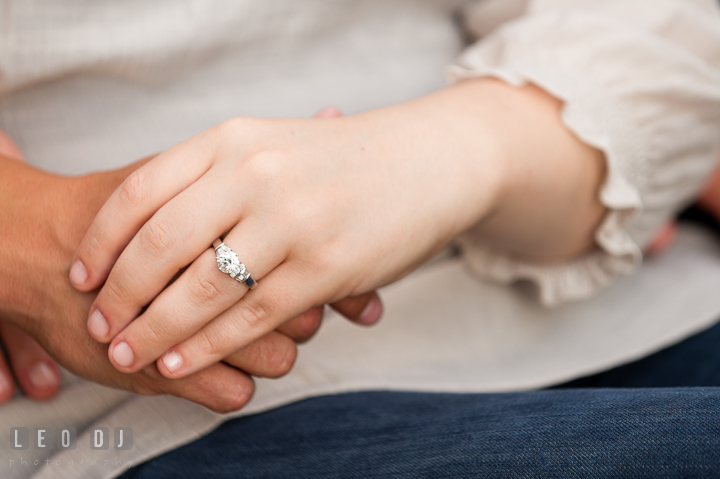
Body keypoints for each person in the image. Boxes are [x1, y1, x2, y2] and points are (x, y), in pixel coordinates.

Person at [1, 0, 719, 477]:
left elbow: (640, 31)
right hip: (127, 423)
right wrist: (25, 232)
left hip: (626, 297)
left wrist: (454, 154)